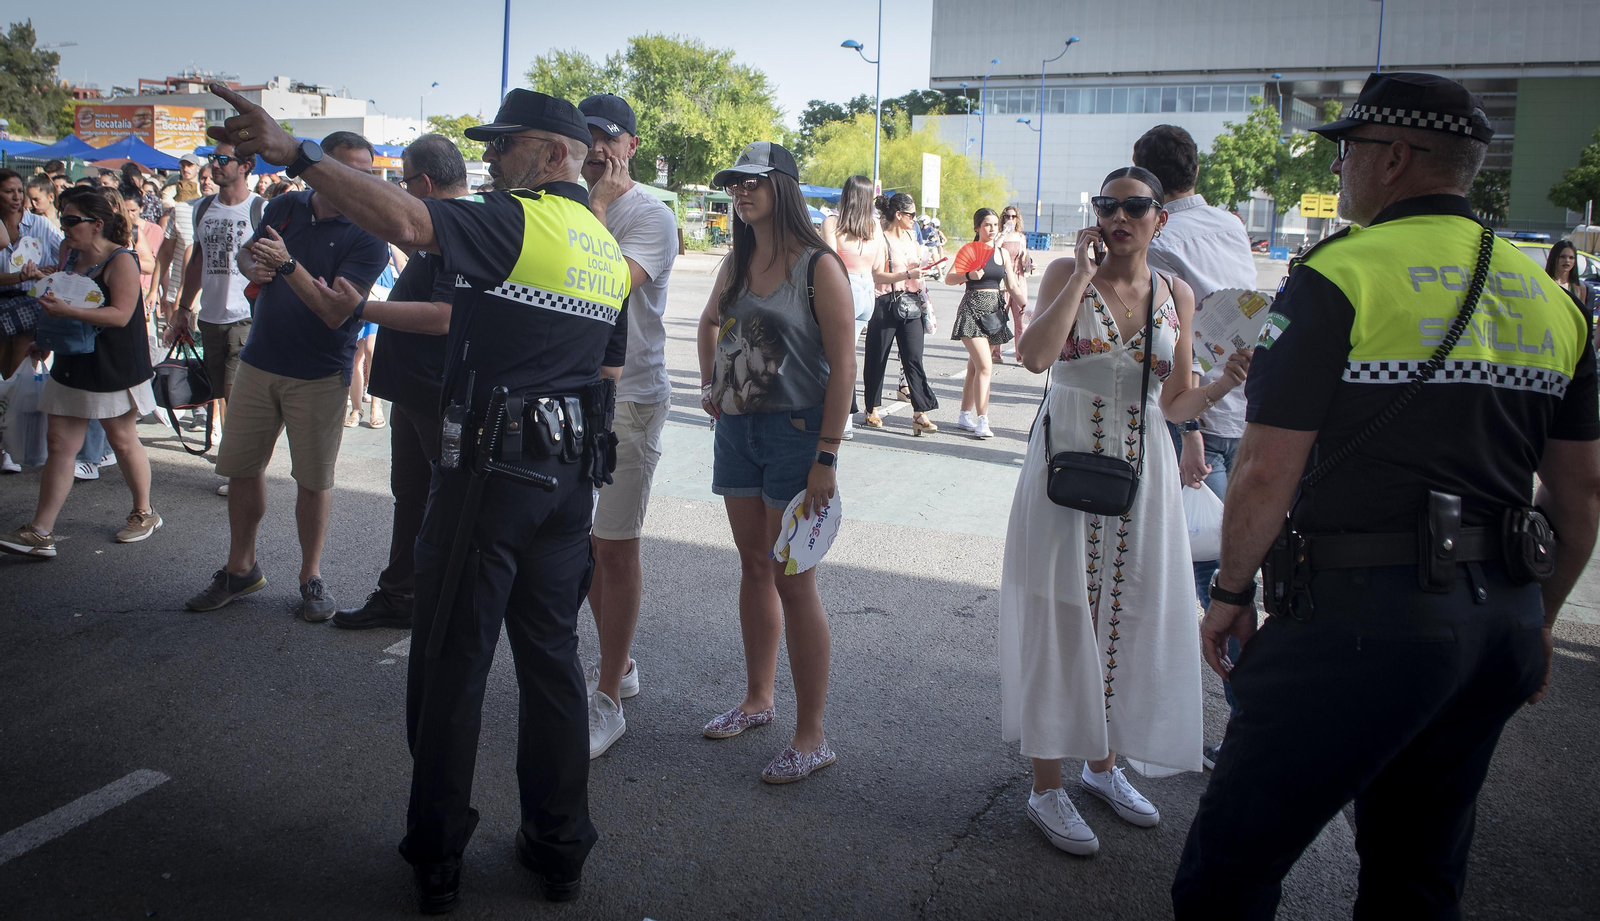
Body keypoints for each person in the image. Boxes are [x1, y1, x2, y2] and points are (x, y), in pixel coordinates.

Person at [1172, 72, 1600, 919]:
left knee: (1230, 869)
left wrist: (1230, 593)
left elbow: (1264, 468)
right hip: (1499, 627)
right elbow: (1581, 493)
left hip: (1359, 623)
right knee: (1418, 874)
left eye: (1350, 149)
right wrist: (1539, 618)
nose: (1340, 168)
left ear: (1396, 156)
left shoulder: (1341, 274)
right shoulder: (1552, 302)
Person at [213, 84, 631, 911]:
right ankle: (559, 848)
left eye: (507, 142)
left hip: (489, 479)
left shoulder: (519, 219)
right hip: (566, 481)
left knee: (450, 661)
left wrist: (299, 153)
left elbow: (408, 221)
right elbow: (606, 370)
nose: (492, 155)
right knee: (552, 664)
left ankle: (438, 854)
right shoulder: (602, 248)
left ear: (555, 153)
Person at [1002, 166, 1247, 857]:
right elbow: (1033, 357)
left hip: (1144, 468)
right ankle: (1045, 785)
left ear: (1159, 218)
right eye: (1106, 204)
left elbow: (1174, 399)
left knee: (1124, 610)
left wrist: (1220, 385)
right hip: (1065, 463)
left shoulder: (1176, 293)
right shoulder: (1064, 273)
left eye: (1134, 207)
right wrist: (1081, 275)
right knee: (1059, 612)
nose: (1118, 217)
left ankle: (1103, 765)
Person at [697, 141, 855, 783]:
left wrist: (827, 454)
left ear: (782, 187)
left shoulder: (819, 266)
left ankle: (812, 735)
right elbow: (709, 324)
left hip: (797, 436)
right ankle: (757, 700)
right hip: (738, 431)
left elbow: (844, 366)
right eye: (734, 184)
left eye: (752, 182)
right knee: (754, 566)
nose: (740, 192)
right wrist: (712, 383)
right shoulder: (737, 260)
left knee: (794, 578)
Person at [182, 131, 388, 622]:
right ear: (319, 168)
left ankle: (310, 577)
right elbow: (248, 255)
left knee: (313, 480)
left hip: (320, 370)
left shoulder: (368, 234)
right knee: (242, 468)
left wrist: (287, 265)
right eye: (347, 169)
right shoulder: (285, 206)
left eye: (365, 172)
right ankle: (240, 567)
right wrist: (254, 266)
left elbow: (335, 312)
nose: (357, 181)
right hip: (260, 360)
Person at [1133, 122, 1260, 770]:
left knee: (1195, 581)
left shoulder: (1161, 240)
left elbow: (1170, 348)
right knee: (1231, 577)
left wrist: (1188, 434)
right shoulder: (1230, 225)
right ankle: (1245, 724)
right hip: (1244, 410)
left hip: (1197, 420)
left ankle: (1235, 731)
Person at [576, 93, 680, 758]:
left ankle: (609, 697)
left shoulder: (649, 215)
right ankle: (623, 660)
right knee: (582, 543)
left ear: (631, 146)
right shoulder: (567, 202)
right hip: (569, 392)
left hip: (629, 397)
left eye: (607, 138)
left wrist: (597, 208)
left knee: (614, 547)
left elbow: (599, 282)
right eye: (584, 135)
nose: (594, 148)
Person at [332, 134, 469, 632]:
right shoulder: (440, 226)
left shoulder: (455, 230)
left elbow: (442, 315)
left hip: (434, 394)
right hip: (414, 391)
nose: (401, 191)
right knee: (412, 495)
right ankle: (402, 594)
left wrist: (360, 308)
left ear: (424, 184)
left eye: (404, 181)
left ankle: (439, 604)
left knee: (441, 501)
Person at [0, 187, 161, 557]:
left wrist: (67, 313)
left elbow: (121, 315)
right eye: (63, 219)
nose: (65, 226)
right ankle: (41, 531)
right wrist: (46, 339)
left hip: (113, 363)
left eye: (72, 220)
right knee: (60, 443)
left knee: (122, 439)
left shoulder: (122, 260)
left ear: (97, 224)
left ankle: (145, 511)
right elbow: (64, 296)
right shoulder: (67, 252)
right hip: (73, 359)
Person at [166, 141, 265, 470]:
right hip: (210, 316)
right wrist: (183, 308)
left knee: (236, 395)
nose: (215, 165)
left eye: (224, 159)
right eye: (213, 158)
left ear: (245, 166)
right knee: (220, 394)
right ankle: (238, 461)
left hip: (246, 316)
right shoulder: (201, 208)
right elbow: (197, 260)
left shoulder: (261, 209)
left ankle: (240, 470)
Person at [1, 167, 66, 475]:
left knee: (17, 371)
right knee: (3, 375)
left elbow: (64, 256)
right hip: (3, 301)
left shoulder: (39, 224)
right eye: (8, 191)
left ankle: (11, 446)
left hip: (29, 301)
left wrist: (49, 271)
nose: (16, 197)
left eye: (19, 191)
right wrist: (19, 276)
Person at [862, 191, 938, 435]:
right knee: (877, 357)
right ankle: (872, 408)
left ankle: (920, 412)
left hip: (911, 303)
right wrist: (906, 274)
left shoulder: (912, 238)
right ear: (898, 214)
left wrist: (921, 271)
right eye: (911, 215)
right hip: (886, 302)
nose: (914, 219)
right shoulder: (881, 239)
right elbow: (876, 275)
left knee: (914, 358)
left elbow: (915, 271)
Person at [943, 208, 1019, 439]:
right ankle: (982, 420)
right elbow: (949, 278)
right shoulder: (969, 250)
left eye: (995, 224)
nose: (992, 228)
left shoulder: (1002, 253)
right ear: (977, 227)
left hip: (993, 313)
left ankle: (964, 415)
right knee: (985, 366)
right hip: (972, 312)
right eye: (987, 224)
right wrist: (969, 276)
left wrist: (1026, 305)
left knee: (974, 367)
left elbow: (1012, 285)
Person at [819, 174, 880, 440]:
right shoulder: (874, 227)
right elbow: (878, 266)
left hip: (846, 288)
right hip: (867, 290)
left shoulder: (832, 223)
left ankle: (841, 421)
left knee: (834, 359)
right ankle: (844, 419)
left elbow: (828, 262)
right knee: (847, 356)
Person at [993, 205, 1032, 363]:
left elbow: (1024, 259)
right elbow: (993, 249)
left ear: (1017, 219)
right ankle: (995, 353)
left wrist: (1029, 264)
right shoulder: (999, 236)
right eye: (1007, 216)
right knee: (1000, 318)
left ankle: (1021, 355)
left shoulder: (1021, 237)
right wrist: (1003, 233)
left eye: (1013, 216)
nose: (1010, 219)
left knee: (1020, 319)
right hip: (1003, 281)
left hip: (1019, 279)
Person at [1546, 239, 1593, 320]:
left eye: (1571, 257)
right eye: (1562, 257)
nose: (1567, 260)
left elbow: (1581, 316)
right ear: (1554, 258)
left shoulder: (1580, 288)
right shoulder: (1546, 283)